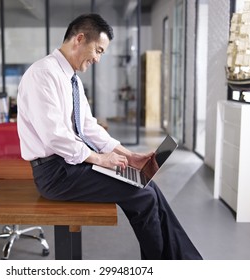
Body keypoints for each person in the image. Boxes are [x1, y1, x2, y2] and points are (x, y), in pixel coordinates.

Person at [17, 13, 202, 260]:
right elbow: (54, 137)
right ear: (80, 39)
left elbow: (88, 126)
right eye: (99, 50)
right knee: (142, 195)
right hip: (55, 174)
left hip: (70, 165)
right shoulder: (43, 74)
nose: (98, 59)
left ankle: (185, 262)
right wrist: (100, 159)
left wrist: (127, 154)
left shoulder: (72, 80)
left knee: (148, 184)